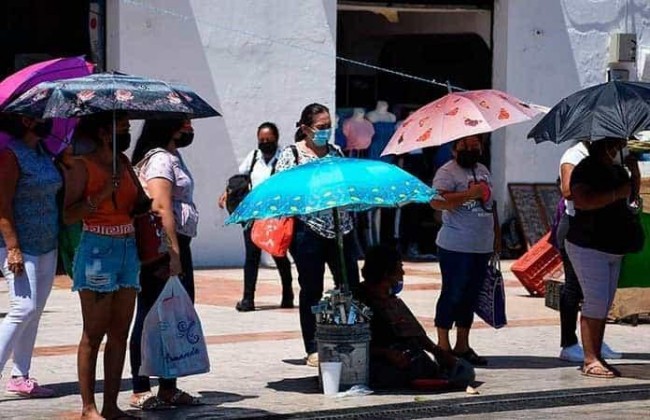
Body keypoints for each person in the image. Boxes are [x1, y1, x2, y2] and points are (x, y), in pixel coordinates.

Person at [63, 112, 141, 419]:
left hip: (128, 248)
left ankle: (111, 404)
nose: (127, 132)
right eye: (123, 127)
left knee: (120, 332)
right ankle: (88, 406)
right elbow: (69, 215)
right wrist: (102, 194)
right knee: (93, 333)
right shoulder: (83, 166)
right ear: (104, 132)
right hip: (97, 247)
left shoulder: (123, 163)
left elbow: (135, 204)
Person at [276, 103, 359, 367]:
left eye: (328, 127)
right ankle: (312, 345)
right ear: (305, 128)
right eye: (321, 128)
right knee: (311, 288)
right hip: (308, 230)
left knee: (350, 285)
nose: (326, 133)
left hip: (341, 228)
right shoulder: (292, 155)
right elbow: (282, 191)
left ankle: (350, 334)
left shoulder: (335, 152)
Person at [128, 119, 201, 410]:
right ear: (168, 127)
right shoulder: (159, 160)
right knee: (149, 315)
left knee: (174, 315)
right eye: (184, 124)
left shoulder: (173, 156)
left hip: (179, 243)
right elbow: (161, 207)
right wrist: (172, 253)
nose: (189, 129)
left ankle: (169, 386)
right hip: (164, 245)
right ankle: (140, 387)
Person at [565, 138, 642, 378]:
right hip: (588, 245)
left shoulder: (618, 169)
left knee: (604, 303)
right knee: (595, 301)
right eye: (616, 146)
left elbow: (630, 196)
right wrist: (615, 193)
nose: (619, 150)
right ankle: (590, 359)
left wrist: (634, 173)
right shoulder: (585, 169)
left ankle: (597, 354)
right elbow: (581, 200)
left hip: (613, 245)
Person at [355, 245, 475, 390]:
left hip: (406, 357)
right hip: (373, 364)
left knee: (463, 371)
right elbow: (351, 345)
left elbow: (413, 332)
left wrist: (437, 351)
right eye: (400, 267)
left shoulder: (391, 300)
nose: (403, 273)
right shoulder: (359, 303)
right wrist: (386, 353)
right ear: (387, 273)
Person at [0, 115, 61, 398]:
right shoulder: (12, 155)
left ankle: (20, 375)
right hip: (19, 247)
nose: (46, 119)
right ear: (23, 121)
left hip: (47, 243)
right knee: (23, 308)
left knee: (34, 312)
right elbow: (2, 204)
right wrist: (13, 247)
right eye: (39, 115)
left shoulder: (44, 152)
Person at [430, 135, 498, 366]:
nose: (471, 150)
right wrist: (469, 194)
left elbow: (492, 205)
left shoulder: (483, 170)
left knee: (471, 295)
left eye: (475, 146)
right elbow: (437, 202)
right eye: (465, 146)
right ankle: (442, 344)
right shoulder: (447, 172)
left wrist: (497, 237)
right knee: (453, 293)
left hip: (481, 245)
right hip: (456, 245)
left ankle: (463, 344)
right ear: (454, 150)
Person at [218, 122, 294, 312]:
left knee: (278, 255)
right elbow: (239, 179)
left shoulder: (284, 159)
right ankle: (248, 299)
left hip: (276, 215)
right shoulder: (253, 157)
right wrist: (227, 193)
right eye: (262, 140)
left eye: (269, 140)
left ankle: (287, 294)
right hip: (253, 215)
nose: (265, 143)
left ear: (276, 139)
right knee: (251, 256)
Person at [556, 141, 620, 363]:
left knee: (599, 294)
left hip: (602, 231)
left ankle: (594, 341)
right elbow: (567, 190)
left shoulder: (613, 157)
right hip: (576, 227)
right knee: (574, 288)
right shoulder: (575, 155)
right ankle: (569, 342)